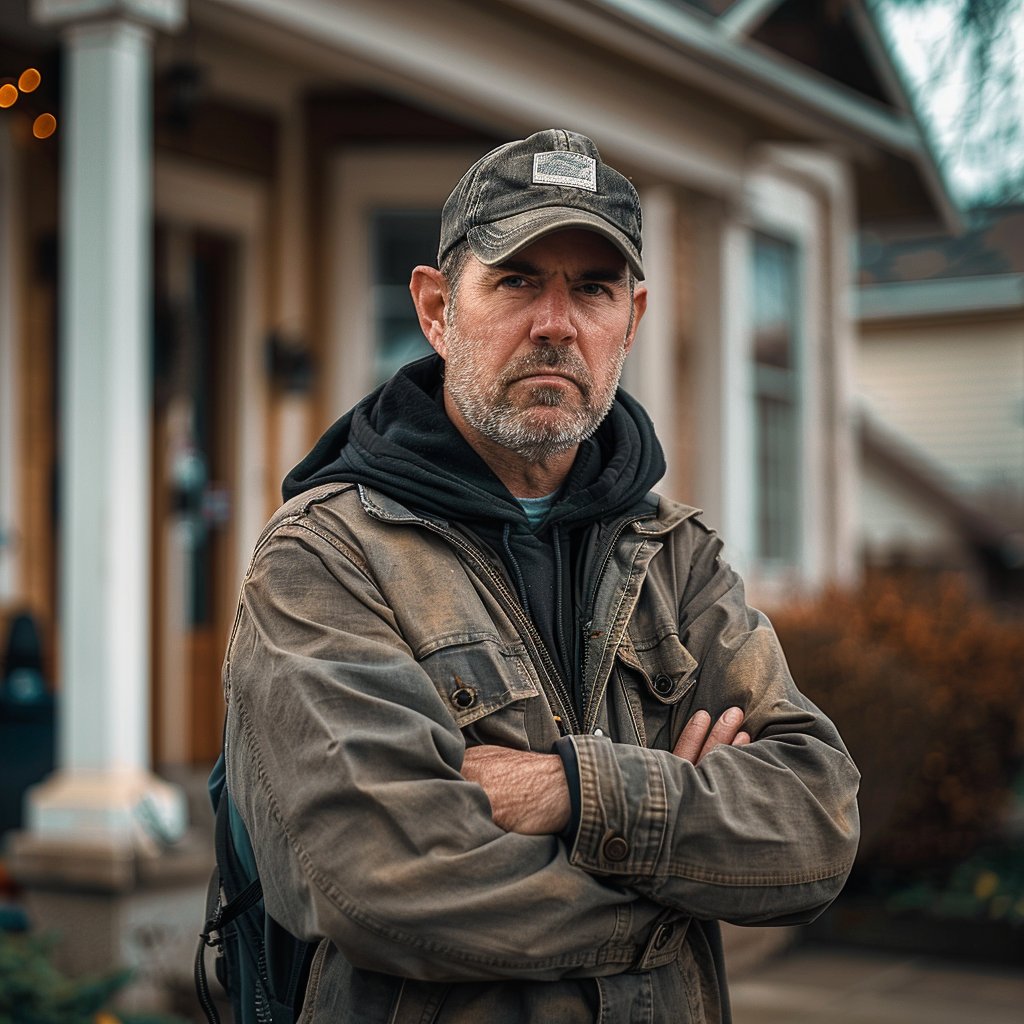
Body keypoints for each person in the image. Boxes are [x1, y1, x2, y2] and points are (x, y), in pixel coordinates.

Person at [223, 128, 859, 1023]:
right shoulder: (325, 557)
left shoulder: (678, 559)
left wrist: (569, 788)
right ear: (438, 307)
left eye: (592, 288)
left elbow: (816, 824)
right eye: (518, 280)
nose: (556, 324)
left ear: (630, 321)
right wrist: (677, 891)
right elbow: (385, 884)